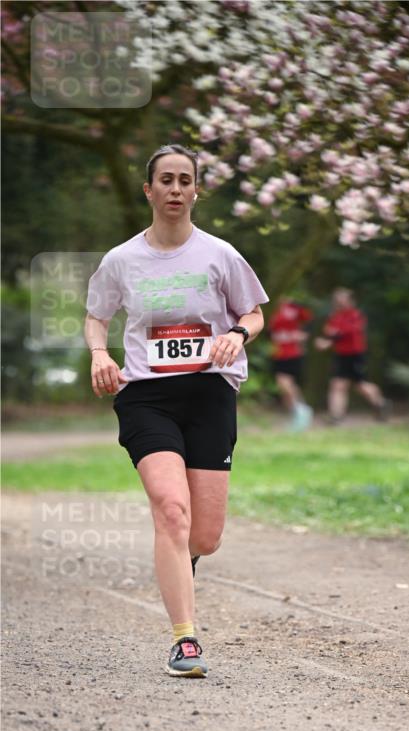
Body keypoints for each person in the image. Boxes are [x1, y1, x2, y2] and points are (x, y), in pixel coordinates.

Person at [84, 144, 268, 679]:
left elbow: (253, 313)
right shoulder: (121, 259)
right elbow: (97, 316)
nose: (175, 189)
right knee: (171, 508)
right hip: (147, 396)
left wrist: (236, 334)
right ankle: (185, 640)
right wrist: (100, 352)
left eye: (185, 180)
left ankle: (180, 568)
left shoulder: (220, 254)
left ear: (196, 191)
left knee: (204, 536)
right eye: (165, 180)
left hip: (210, 393)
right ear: (149, 190)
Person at [316, 287, 389, 423]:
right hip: (341, 355)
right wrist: (325, 342)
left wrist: (331, 338)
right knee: (337, 384)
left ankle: (380, 403)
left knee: (361, 385)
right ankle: (336, 416)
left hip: (355, 355)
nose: (339, 303)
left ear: (351, 301)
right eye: (337, 300)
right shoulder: (335, 317)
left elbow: (347, 332)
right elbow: (330, 332)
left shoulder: (356, 315)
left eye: (342, 300)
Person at [268, 297, 314, 430]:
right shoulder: (273, 312)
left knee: (284, 382)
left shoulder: (294, 309)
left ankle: (301, 411)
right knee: (285, 385)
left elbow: (310, 320)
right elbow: (270, 332)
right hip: (279, 353)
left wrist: (304, 334)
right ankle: (297, 413)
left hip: (292, 352)